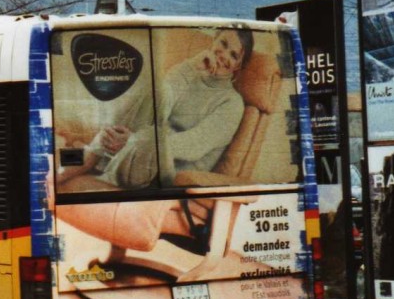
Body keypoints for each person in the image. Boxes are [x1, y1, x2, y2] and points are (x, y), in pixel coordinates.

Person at [58, 28, 254, 190]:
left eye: (234, 55)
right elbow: (160, 100)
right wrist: (191, 66)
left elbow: (193, 146)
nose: (223, 55)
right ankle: (83, 161)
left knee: (152, 136)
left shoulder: (232, 103)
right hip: (140, 150)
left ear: (238, 66)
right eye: (223, 44)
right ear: (214, 40)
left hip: (170, 172)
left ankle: (101, 161)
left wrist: (132, 142)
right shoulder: (190, 72)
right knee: (156, 89)